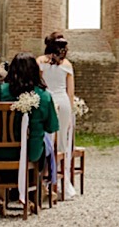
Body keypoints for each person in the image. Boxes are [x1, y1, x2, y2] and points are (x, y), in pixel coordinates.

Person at [0, 53, 58, 216]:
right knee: (44, 150)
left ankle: (0, 197)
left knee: (3, 156)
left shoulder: (1, 91)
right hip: (30, 153)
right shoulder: (44, 95)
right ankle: (33, 196)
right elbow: (51, 126)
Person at [37, 32, 76, 199]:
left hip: (45, 101)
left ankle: (43, 182)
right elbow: (70, 92)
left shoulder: (39, 61)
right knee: (61, 144)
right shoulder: (67, 64)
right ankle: (59, 184)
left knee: (44, 140)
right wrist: (71, 113)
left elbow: (38, 85)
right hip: (62, 101)